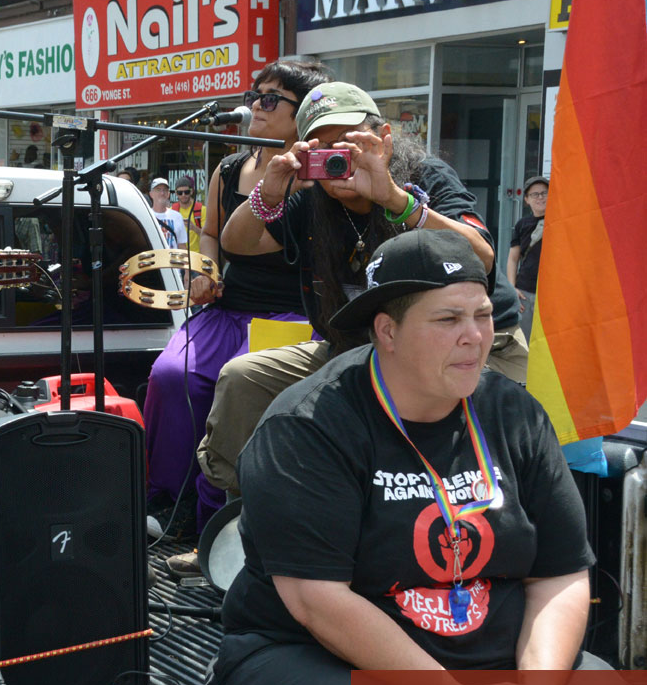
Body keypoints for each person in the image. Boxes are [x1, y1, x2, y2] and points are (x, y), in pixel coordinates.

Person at [206, 229, 631, 685]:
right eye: (448, 320)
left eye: (482, 316)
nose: (475, 337)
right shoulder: (307, 426)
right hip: (318, 656)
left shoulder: (514, 414)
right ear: (387, 330)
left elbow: (560, 573)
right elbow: (318, 601)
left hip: (492, 657)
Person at [198, 81, 527, 514]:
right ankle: (249, 518)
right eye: (321, 147)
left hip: (471, 344)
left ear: (383, 139)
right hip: (358, 346)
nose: (338, 160)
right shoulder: (310, 197)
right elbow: (237, 244)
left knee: (393, 410)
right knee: (243, 379)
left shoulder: (422, 175)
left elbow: (479, 255)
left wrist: (393, 197)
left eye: (349, 143)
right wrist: (272, 189)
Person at [144, 59, 332, 548]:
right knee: (171, 376)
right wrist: (204, 271)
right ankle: (175, 498)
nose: (255, 106)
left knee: (241, 387)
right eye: (255, 94)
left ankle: (233, 517)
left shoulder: (317, 177)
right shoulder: (229, 168)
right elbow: (211, 234)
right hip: (228, 310)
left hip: (293, 316)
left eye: (271, 99)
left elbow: (250, 242)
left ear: (303, 112)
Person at [507, 175, 547, 341]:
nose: (540, 197)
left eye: (544, 193)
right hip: (526, 292)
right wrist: (512, 288)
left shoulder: (562, 221)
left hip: (552, 292)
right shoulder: (522, 225)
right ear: (526, 199)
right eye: (534, 194)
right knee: (525, 340)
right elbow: (513, 259)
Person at [148, 177, 186, 249]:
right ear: (151, 194)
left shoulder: (177, 216)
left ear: (168, 194)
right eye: (158, 190)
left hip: (172, 259)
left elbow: (182, 246)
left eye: (165, 190)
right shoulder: (146, 215)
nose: (162, 193)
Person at [172, 175, 204, 254]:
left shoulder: (201, 210)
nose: (183, 195)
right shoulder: (172, 210)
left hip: (197, 256)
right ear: (176, 193)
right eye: (180, 193)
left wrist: (194, 228)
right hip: (178, 256)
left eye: (186, 192)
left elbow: (208, 236)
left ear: (191, 191)